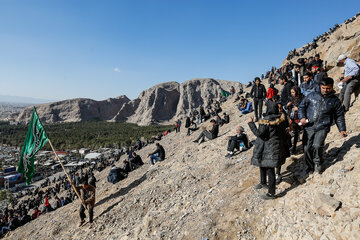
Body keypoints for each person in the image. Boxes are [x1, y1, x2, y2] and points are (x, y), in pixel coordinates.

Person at [298, 77, 347, 173]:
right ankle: (310, 166)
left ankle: (318, 163)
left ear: (332, 87)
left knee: (317, 145)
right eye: (323, 88)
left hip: (323, 126)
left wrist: (342, 129)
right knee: (306, 147)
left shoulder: (335, 101)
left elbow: (339, 116)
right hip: (309, 126)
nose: (325, 90)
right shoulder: (311, 96)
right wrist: (302, 117)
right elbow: (301, 107)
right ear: (320, 86)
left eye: (328, 88)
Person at [248, 101, 286, 200]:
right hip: (275, 146)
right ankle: (263, 182)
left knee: (270, 170)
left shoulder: (266, 121)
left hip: (267, 147)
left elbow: (259, 134)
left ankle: (271, 193)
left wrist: (251, 123)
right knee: (263, 164)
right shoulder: (281, 119)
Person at [286, 86, 304, 155]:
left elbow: (306, 106)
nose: (292, 94)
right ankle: (294, 148)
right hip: (293, 118)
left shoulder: (302, 98)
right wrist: (287, 105)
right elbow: (286, 108)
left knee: (303, 130)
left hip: (301, 118)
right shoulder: (291, 98)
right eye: (291, 92)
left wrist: (298, 108)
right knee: (296, 132)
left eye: (293, 92)